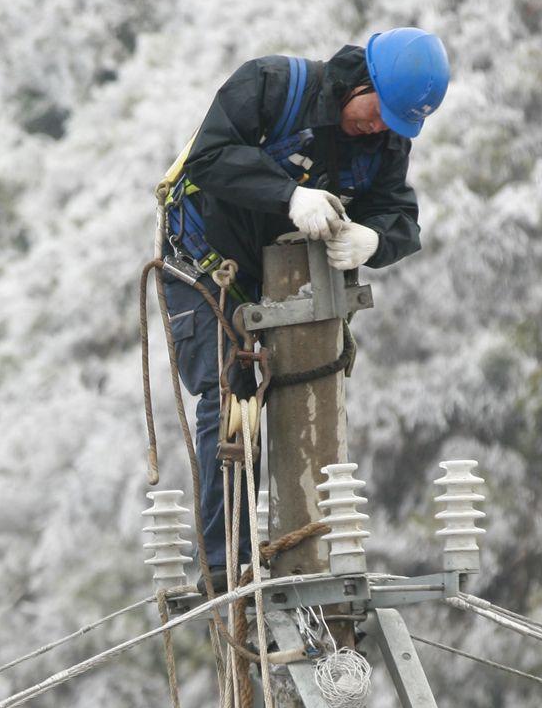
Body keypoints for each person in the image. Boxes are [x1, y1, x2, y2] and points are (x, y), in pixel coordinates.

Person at [156, 29, 447, 584]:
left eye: (396, 123)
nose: (380, 126)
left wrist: (373, 239)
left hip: (286, 290)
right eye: (378, 110)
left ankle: (299, 549)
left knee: (305, 394)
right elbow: (209, 158)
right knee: (229, 398)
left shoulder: (384, 143)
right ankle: (227, 566)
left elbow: (401, 217)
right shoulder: (272, 86)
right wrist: (287, 194)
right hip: (204, 266)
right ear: (361, 82)